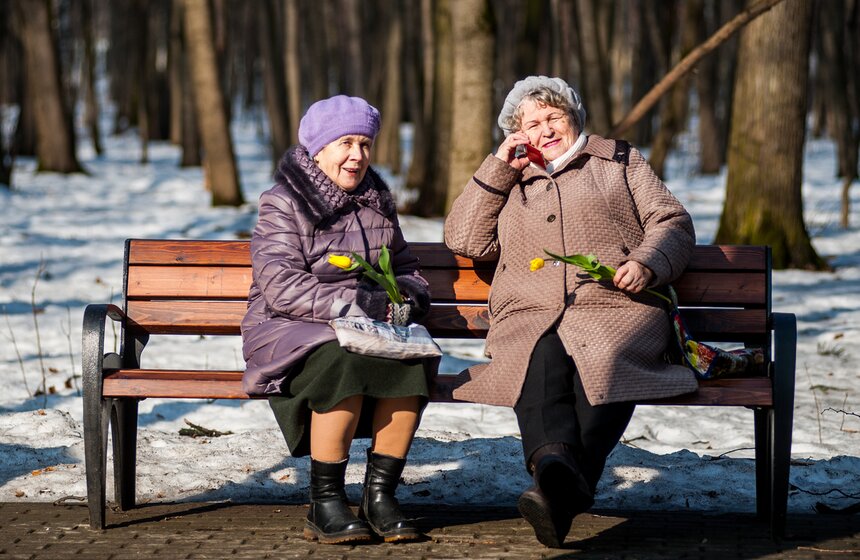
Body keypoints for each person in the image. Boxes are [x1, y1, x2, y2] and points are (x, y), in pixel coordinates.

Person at [444, 76, 697, 548]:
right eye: (532, 124)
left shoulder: (618, 160)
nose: (545, 130)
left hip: (616, 305)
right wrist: (498, 168)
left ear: (574, 116)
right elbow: (465, 240)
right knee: (538, 351)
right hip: (532, 309)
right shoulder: (511, 177)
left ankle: (553, 478)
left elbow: (672, 221)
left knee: (606, 356)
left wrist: (647, 262)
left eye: (553, 117)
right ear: (518, 134)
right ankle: (560, 474)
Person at [241, 95, 432, 545]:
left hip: (362, 326)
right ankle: (325, 502)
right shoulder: (283, 202)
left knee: (414, 362)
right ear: (317, 149)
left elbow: (404, 265)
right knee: (342, 361)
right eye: (345, 142)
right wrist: (355, 305)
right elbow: (278, 283)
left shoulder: (377, 202)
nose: (357, 155)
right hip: (286, 329)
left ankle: (380, 496)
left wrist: (408, 296)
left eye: (365, 144)